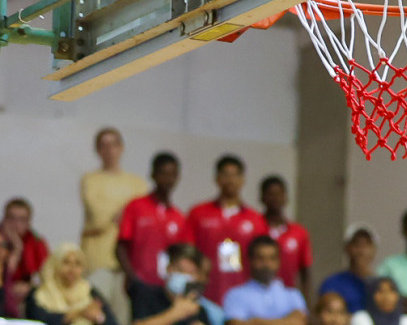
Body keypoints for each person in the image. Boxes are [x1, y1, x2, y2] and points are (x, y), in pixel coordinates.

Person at [187, 156, 266, 306]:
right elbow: (188, 252)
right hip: (206, 293)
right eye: (225, 175)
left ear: (243, 180)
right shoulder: (198, 213)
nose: (230, 180)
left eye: (235, 175)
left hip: (243, 294)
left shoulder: (255, 219)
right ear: (216, 179)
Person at [223, 237, 308, 325]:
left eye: (271, 258)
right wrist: (283, 324)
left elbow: (299, 324)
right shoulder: (235, 295)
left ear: (278, 261)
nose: (266, 264)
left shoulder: (293, 295)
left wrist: (256, 322)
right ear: (250, 261)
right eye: (260, 259)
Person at [26, 244, 118, 325]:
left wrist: (98, 317)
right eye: (66, 262)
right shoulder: (40, 294)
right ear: (56, 264)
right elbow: (42, 322)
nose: (72, 269)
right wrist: (76, 314)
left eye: (77, 264)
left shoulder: (89, 292)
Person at [79, 127, 149, 277]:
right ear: (97, 150)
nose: (109, 150)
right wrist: (126, 211)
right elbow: (98, 216)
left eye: (114, 145)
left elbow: (141, 219)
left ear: (121, 148)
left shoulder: (138, 183)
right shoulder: (90, 180)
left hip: (129, 263)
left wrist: (121, 215)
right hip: (97, 261)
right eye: (104, 145)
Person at [116, 153, 189, 289]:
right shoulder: (136, 207)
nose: (168, 179)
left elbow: (182, 254)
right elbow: (120, 247)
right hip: (139, 284)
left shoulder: (178, 216)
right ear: (153, 175)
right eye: (164, 174)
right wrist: (132, 277)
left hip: (169, 288)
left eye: (172, 174)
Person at [129, 243, 213, 325]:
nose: (184, 276)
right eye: (180, 270)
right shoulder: (147, 295)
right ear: (169, 268)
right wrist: (175, 313)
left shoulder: (198, 309)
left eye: (191, 273)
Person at [256, 177, 311, 299]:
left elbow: (305, 272)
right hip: (256, 295)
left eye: (279, 194)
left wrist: (306, 300)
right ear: (262, 198)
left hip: (287, 297)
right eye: (271, 194)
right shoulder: (253, 227)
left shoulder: (299, 232)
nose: (275, 198)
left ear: (286, 198)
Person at [2, 198, 50, 317]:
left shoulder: (36, 242)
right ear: (4, 220)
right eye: (11, 218)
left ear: (29, 223)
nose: (16, 224)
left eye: (21, 220)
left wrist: (31, 287)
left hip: (27, 295)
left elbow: (47, 276)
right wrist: (17, 249)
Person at [317, 226, 376, 314]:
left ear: (374, 250)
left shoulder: (381, 285)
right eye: (357, 245)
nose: (362, 251)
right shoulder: (333, 282)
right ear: (347, 248)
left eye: (367, 245)